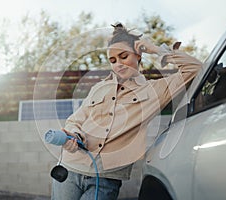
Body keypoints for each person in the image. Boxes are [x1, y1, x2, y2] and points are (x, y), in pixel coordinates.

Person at [51, 22, 202, 200]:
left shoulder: (155, 91)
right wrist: (73, 135)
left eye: (124, 56)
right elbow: (75, 120)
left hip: (106, 178)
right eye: (113, 60)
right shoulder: (99, 88)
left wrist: (155, 50)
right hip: (69, 169)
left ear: (138, 55)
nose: (119, 64)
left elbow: (195, 68)